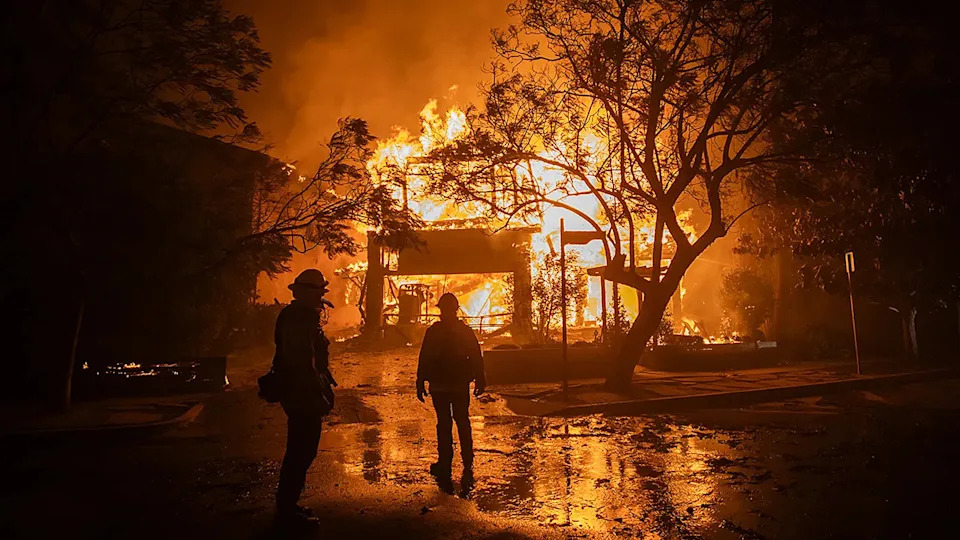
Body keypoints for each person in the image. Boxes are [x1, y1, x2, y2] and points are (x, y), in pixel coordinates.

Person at [273, 269, 337, 526]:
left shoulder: (298, 316)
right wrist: (316, 392)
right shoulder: (298, 320)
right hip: (301, 393)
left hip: (300, 391)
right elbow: (303, 361)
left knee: (302, 450)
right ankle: (287, 509)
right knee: (301, 450)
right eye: (319, 293)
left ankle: (288, 504)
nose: (321, 300)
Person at [416, 292, 486, 484]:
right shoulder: (464, 331)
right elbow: (476, 357)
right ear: (456, 310)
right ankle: (467, 459)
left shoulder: (433, 332)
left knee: (445, 423)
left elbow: (425, 358)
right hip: (458, 384)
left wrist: (420, 381)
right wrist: (480, 379)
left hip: (440, 385)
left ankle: (445, 463)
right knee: (462, 420)